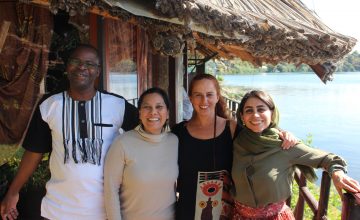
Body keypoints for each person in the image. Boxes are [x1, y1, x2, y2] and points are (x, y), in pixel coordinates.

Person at [0, 44, 138, 220]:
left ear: (98, 71)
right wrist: (13, 192)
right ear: (67, 68)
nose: (82, 67)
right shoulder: (50, 106)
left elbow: (145, 137)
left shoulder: (117, 105)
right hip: (58, 210)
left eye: (90, 64)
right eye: (76, 61)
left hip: (107, 211)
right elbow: (34, 152)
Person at [172, 74, 296, 220]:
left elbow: (259, 138)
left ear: (217, 96)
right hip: (187, 209)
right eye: (198, 95)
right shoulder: (178, 132)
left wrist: (282, 134)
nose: (204, 100)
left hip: (225, 211)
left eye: (209, 94)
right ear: (190, 98)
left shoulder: (231, 129)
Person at [231, 90, 360, 220]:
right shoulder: (236, 140)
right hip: (239, 216)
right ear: (242, 116)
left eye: (261, 109)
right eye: (249, 110)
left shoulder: (285, 145)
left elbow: (329, 159)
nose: (256, 115)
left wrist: (337, 173)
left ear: (272, 113)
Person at [104, 87, 178, 220]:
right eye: (147, 107)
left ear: (167, 113)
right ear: (139, 113)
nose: (153, 112)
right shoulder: (122, 143)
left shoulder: (174, 141)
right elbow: (111, 190)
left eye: (159, 107)